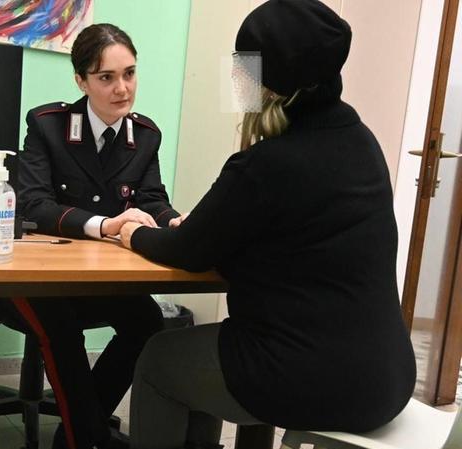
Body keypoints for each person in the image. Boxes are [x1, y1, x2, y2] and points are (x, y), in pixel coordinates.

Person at [119, 1, 416, 448]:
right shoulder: (361, 142)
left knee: (159, 361)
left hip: (312, 377)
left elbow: (187, 251)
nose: (236, 78)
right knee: (230, 348)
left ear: (272, 83)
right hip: (388, 377)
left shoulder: (266, 164)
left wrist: (132, 232)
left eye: (242, 67)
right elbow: (295, 234)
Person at [15, 23, 181, 449]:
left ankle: (77, 434)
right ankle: (86, 438)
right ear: (81, 81)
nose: (122, 89)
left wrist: (174, 221)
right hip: (37, 276)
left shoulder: (145, 135)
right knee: (62, 328)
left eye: (129, 73)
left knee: (148, 322)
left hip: (97, 276)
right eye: (106, 77)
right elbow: (33, 205)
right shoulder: (48, 125)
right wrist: (106, 225)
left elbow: (151, 199)